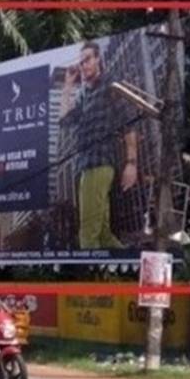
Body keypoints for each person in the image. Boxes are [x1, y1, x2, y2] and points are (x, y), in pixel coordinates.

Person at [60, 41, 140, 249]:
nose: (83, 65)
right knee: (103, 234)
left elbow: (128, 123)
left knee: (87, 234)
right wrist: (68, 86)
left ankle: (90, 278)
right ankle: (129, 272)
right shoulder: (83, 94)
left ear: (98, 60)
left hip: (100, 162)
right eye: (81, 62)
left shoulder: (110, 84)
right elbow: (65, 121)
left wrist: (131, 163)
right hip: (84, 165)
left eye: (87, 59)